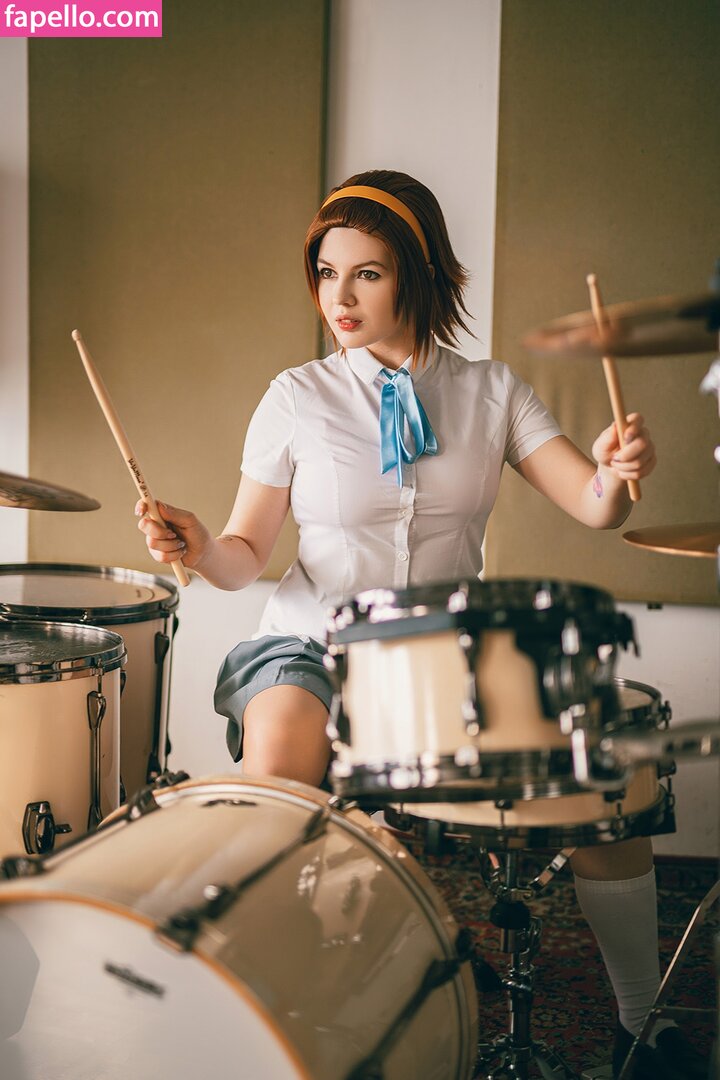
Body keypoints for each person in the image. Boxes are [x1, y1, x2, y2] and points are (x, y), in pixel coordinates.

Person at [137, 171, 701, 1078]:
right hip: (312, 641)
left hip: (445, 657)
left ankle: (641, 1021)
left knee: (603, 767)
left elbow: (596, 504)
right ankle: (263, 1011)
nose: (340, 296)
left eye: (368, 273)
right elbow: (245, 555)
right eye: (327, 273)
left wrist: (619, 468)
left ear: (421, 274)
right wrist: (202, 544)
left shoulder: (492, 392)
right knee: (280, 751)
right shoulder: (297, 396)